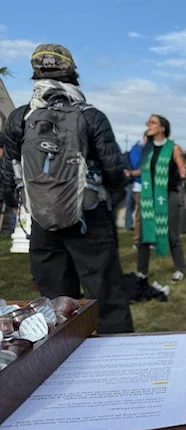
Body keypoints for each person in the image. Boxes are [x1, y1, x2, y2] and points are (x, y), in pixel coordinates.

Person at [0, 43, 133, 333]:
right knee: (106, 296)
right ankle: (121, 364)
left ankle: (60, 366)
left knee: (54, 305)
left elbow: (9, 176)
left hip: (43, 221)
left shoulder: (20, 118)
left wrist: (22, 203)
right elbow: (114, 172)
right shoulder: (90, 116)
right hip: (90, 219)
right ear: (72, 73)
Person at [136, 114, 186, 282]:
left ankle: (179, 268)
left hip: (168, 195)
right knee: (144, 233)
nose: (148, 125)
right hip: (149, 197)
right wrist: (130, 173)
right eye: (148, 123)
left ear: (162, 128)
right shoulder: (147, 149)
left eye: (152, 122)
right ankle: (141, 271)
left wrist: (183, 171)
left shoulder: (173, 148)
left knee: (172, 233)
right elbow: (144, 171)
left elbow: (182, 169)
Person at [124, 134, 145, 247]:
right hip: (139, 185)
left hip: (149, 185)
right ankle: (137, 240)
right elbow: (140, 167)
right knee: (140, 214)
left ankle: (148, 239)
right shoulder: (137, 150)